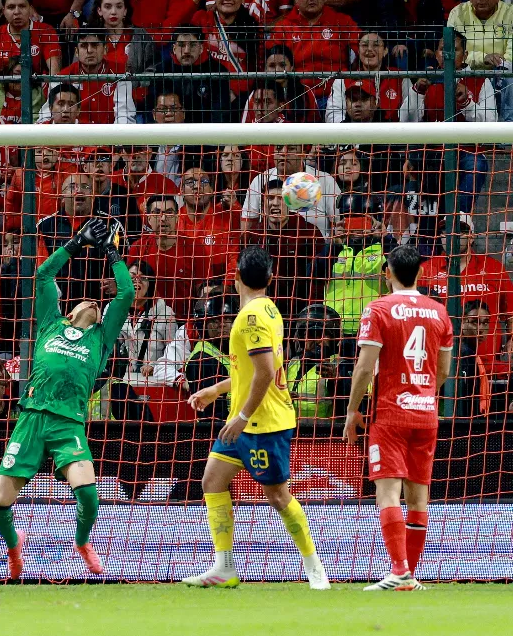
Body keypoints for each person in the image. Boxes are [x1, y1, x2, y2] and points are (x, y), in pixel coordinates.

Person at [0, 219, 132, 578]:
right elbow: (42, 275)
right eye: (87, 302)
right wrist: (74, 243)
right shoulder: (51, 323)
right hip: (31, 418)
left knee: (88, 495)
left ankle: (82, 542)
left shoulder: (100, 338)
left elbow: (126, 294)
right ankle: (13, 544)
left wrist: (112, 253)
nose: (95, 304)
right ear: (69, 313)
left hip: (68, 422)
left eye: (98, 306)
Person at [183, 246, 330, 590]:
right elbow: (249, 370)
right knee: (212, 482)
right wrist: (216, 392)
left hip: (262, 423)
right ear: (270, 278)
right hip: (242, 420)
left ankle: (314, 567)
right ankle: (224, 567)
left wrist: (243, 415)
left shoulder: (250, 319)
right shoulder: (269, 310)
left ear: (235, 278)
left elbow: (264, 372)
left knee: (278, 497)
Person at [344, 244, 452, 590]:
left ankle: (399, 570)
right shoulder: (440, 312)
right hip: (426, 414)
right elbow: (444, 372)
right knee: (418, 498)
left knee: (388, 493)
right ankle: (409, 575)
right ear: (420, 273)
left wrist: (351, 409)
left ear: (386, 273)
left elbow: (363, 366)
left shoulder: (378, 309)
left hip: (390, 414)